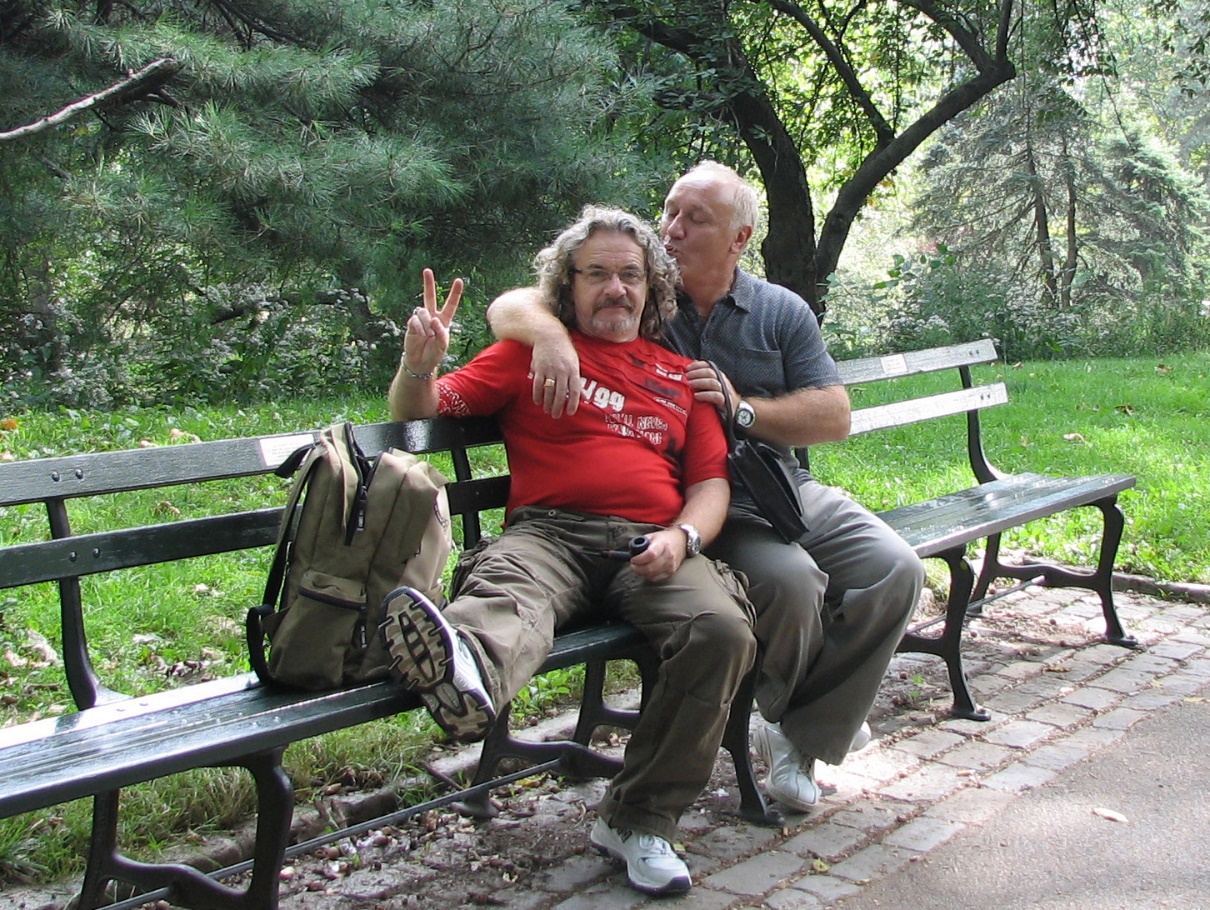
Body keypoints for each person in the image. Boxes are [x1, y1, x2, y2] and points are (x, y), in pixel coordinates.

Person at [487, 161, 925, 814]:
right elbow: (512, 304)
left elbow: (834, 415)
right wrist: (551, 337)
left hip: (780, 482)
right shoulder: (640, 297)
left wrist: (741, 409)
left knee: (897, 569)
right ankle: (802, 732)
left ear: (739, 239)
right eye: (670, 211)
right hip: (703, 502)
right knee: (793, 582)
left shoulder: (778, 310)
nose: (672, 228)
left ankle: (801, 725)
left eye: (695, 219)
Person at [383, 205, 757, 896]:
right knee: (510, 589)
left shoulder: (682, 378)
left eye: (630, 276)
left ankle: (638, 820)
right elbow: (420, 411)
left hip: (649, 541)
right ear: (568, 285)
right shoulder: (527, 353)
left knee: (722, 630)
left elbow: (710, 484)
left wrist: (682, 537)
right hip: (549, 535)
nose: (615, 289)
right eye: (596, 275)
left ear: (651, 288)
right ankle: (463, 670)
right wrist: (416, 367)